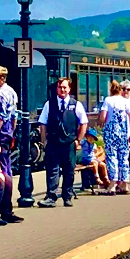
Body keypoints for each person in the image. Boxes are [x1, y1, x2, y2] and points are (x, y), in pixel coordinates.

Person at [37, 77, 88, 208]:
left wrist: (78, 140)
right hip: (53, 143)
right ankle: (51, 197)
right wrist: (44, 141)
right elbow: (43, 123)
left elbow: (84, 122)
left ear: (69, 89)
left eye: (65, 87)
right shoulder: (49, 104)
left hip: (69, 143)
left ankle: (67, 196)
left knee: (68, 171)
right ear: (57, 89)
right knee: (52, 170)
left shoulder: (76, 104)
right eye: (60, 87)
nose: (62, 90)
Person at [0, 66, 24, 223]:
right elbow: (14, 117)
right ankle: (7, 208)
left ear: (1, 79)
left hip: (0, 136)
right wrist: (12, 134)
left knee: (0, 173)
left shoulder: (1, 95)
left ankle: (3, 209)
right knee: (7, 170)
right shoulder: (12, 92)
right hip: (7, 135)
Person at [99, 80, 130, 194]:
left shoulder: (108, 100)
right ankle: (124, 184)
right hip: (123, 133)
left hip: (111, 133)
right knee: (124, 158)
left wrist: (101, 124)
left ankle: (112, 185)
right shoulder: (125, 101)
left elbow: (103, 116)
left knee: (112, 157)